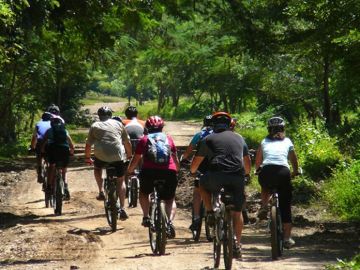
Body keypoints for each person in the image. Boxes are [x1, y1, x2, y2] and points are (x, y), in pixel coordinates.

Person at [190, 111, 251, 258]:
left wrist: (192, 171)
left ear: (214, 124)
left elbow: (195, 165)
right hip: (237, 177)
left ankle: (210, 212)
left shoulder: (208, 139)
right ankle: (237, 242)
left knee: (201, 185)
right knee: (237, 211)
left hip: (216, 175)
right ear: (229, 124)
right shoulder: (239, 138)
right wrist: (246, 175)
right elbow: (247, 165)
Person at [127, 115, 180, 238]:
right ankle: (169, 222)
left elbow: (136, 158)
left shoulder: (144, 139)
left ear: (147, 127)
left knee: (144, 193)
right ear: (162, 127)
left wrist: (129, 171)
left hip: (149, 172)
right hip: (169, 172)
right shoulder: (169, 139)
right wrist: (176, 170)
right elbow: (175, 159)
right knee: (170, 199)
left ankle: (146, 217)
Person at [255, 116, 300, 249]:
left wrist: (258, 170)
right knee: (285, 206)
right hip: (283, 172)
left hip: (267, 170)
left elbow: (258, 161)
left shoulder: (263, 141)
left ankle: (264, 206)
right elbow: (294, 159)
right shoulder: (287, 141)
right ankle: (287, 238)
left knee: (264, 185)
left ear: (269, 130)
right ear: (283, 129)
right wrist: (295, 171)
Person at [85, 106, 132, 220]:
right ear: (110, 115)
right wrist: (129, 155)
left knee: (97, 168)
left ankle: (101, 191)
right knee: (120, 181)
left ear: (99, 116)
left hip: (100, 155)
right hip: (117, 155)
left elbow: (88, 145)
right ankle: (122, 208)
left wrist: (87, 158)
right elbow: (127, 142)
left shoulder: (95, 125)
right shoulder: (118, 124)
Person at [181, 115, 213, 232]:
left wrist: (183, 159)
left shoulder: (199, 135)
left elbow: (188, 152)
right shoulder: (220, 134)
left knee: (197, 192)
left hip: (202, 166)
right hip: (218, 166)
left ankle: (196, 218)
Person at [42, 115, 75, 202]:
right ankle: (65, 185)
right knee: (64, 169)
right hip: (64, 151)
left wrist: (42, 152)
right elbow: (72, 145)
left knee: (51, 166)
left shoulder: (49, 130)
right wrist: (71, 153)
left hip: (53, 150)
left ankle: (49, 186)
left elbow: (43, 143)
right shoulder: (65, 131)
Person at [30, 112, 52, 183]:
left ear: (42, 118)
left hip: (40, 143)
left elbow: (34, 137)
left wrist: (32, 147)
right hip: (50, 143)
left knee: (39, 157)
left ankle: (40, 173)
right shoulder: (52, 123)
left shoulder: (38, 124)